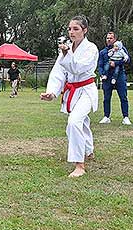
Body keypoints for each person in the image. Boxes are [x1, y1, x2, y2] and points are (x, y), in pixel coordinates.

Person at [40, 15, 98, 177]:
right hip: (73, 90)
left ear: (84, 30)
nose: (71, 32)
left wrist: (66, 54)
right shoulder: (67, 49)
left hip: (86, 90)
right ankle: (88, 149)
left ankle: (79, 165)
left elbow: (77, 69)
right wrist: (52, 92)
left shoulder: (91, 49)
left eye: (76, 29)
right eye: (69, 29)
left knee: (74, 122)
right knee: (82, 121)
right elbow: (59, 72)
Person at [98, 32, 132, 125]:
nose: (108, 40)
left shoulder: (121, 49)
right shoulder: (103, 52)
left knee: (123, 97)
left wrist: (116, 63)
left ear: (115, 39)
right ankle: (106, 116)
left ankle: (125, 117)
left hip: (119, 76)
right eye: (107, 38)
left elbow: (128, 60)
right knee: (106, 98)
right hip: (107, 78)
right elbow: (100, 65)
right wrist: (101, 74)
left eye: (111, 38)